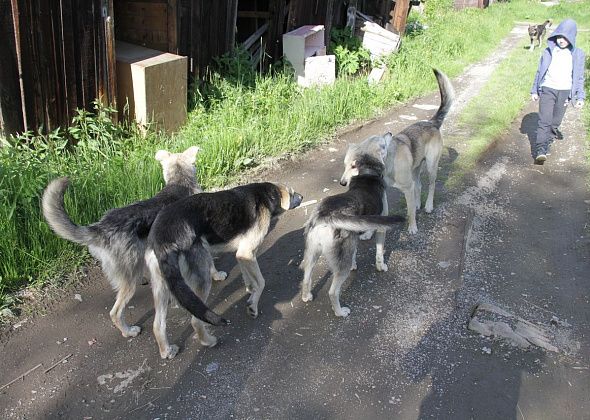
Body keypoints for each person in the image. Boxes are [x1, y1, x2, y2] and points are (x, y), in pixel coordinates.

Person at [530, 18, 585, 165]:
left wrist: (580, 96)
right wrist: (534, 90)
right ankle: (540, 150)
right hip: (548, 88)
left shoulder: (578, 54)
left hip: (565, 92)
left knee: (555, 122)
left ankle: (548, 141)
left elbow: (579, 77)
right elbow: (539, 72)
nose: (561, 40)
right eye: (559, 36)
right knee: (544, 121)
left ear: (572, 37)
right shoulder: (549, 51)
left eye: (565, 38)